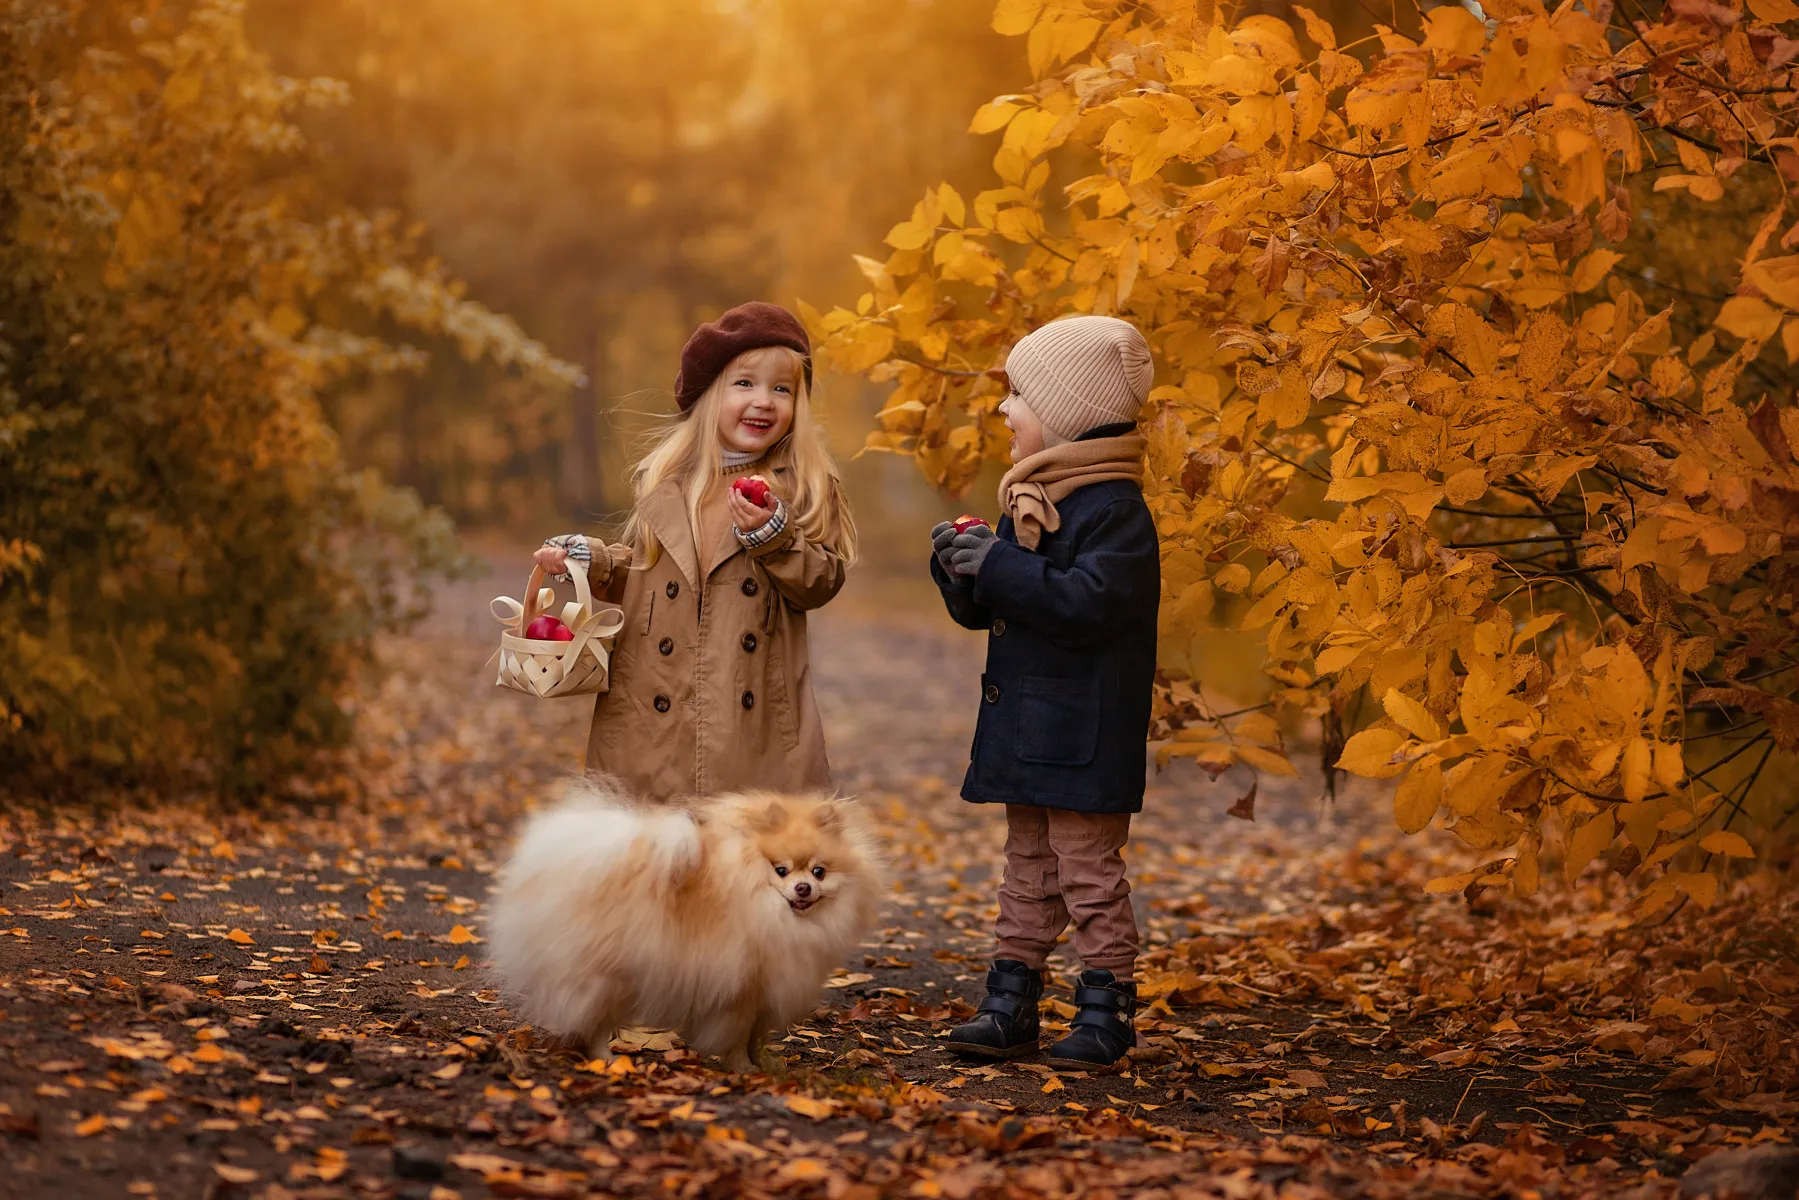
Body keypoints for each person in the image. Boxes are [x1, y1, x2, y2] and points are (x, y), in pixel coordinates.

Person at [931, 315, 1159, 1071]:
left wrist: (996, 565)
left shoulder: (1114, 512)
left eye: (1018, 395)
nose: (1003, 409)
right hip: (1029, 729)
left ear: (1064, 416)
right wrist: (961, 569)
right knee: (1025, 873)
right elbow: (998, 610)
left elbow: (1087, 603)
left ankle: (1106, 1010)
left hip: (1083, 735)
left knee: (1088, 877)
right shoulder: (1028, 497)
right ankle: (1009, 1002)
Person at [532, 302, 856, 800]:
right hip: (652, 716)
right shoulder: (669, 482)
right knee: (654, 859)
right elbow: (641, 572)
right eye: (744, 384)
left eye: (782, 389)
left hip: (751, 726)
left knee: (739, 862)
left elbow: (822, 580)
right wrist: (590, 560)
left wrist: (775, 536)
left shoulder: (804, 486)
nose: (764, 401)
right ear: (709, 395)